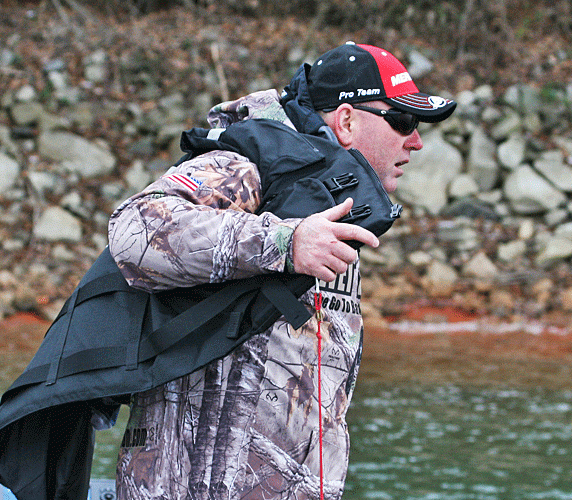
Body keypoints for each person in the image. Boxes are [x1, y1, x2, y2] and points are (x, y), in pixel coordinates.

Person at [110, 42, 455, 499]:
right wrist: (283, 243)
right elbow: (135, 229)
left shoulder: (330, 196)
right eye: (403, 122)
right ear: (347, 121)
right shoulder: (252, 165)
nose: (416, 141)